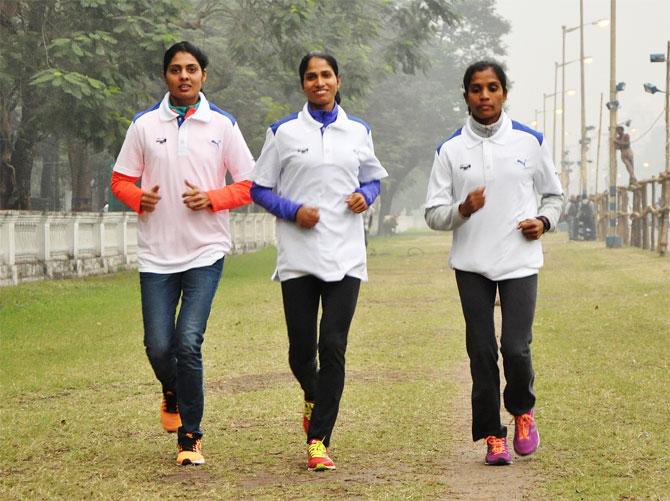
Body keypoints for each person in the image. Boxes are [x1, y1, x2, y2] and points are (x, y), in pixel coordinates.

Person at [110, 41, 255, 466]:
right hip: (156, 253)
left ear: (204, 75)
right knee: (158, 346)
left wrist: (212, 197)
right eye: (176, 69)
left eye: (192, 69)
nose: (184, 76)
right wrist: (139, 198)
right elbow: (120, 180)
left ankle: (190, 436)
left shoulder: (222, 125)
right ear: (166, 76)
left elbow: (249, 184)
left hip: (205, 251)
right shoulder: (143, 125)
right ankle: (170, 390)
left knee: (187, 342)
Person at [250, 51, 388, 471]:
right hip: (299, 255)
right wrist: (294, 211)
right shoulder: (284, 132)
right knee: (300, 352)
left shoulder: (357, 130)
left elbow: (373, 176)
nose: (319, 82)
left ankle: (318, 440)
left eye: (326, 75)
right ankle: (314, 394)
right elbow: (259, 189)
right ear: (303, 85)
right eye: (311, 76)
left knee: (334, 345)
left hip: (346, 254)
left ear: (338, 80)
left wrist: (366, 196)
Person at [424, 60, 563, 466]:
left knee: (516, 349)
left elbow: (554, 196)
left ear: (504, 92)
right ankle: (492, 435)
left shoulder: (529, 142)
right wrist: (462, 210)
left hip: (519, 260)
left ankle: (521, 411)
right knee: (482, 352)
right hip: (471, 263)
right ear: (465, 94)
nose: (484, 96)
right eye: (476, 89)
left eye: (492, 88)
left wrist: (543, 221)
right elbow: (433, 213)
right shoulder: (450, 150)